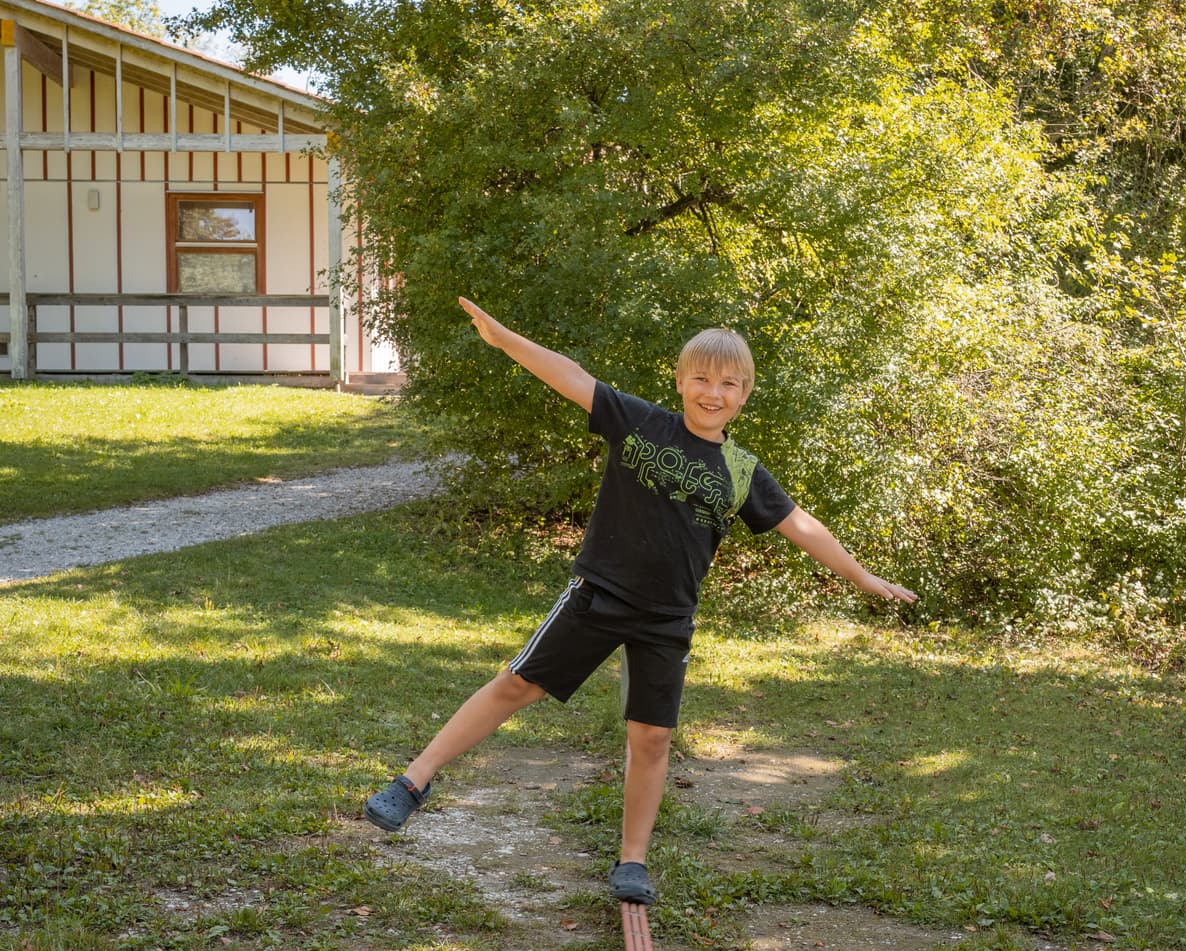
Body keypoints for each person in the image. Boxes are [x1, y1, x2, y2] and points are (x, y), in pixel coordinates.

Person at [364, 297, 916, 903]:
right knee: (516, 684)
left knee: (651, 738)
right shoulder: (641, 423)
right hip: (598, 595)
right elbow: (570, 375)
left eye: (728, 383)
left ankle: (633, 861)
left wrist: (863, 577)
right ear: (680, 381)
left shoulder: (741, 471)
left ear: (745, 393)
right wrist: (504, 340)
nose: (713, 392)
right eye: (701, 378)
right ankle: (415, 781)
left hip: (667, 620)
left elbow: (801, 525)